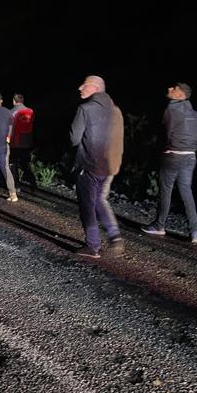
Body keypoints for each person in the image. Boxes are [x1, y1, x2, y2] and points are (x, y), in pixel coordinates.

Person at [70, 75, 125, 258]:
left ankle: (93, 246)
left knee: (87, 204)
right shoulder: (116, 110)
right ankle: (114, 236)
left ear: (94, 88)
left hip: (89, 165)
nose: (80, 88)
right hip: (109, 166)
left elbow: (74, 139)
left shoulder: (85, 108)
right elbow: (118, 139)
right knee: (100, 200)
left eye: (83, 85)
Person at [142, 82, 197, 243]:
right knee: (186, 192)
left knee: (166, 190)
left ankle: (159, 226)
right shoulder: (195, 114)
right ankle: (195, 232)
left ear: (180, 95)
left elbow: (166, 132)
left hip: (173, 155)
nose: (169, 89)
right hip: (190, 156)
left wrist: (166, 148)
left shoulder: (171, 109)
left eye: (173, 88)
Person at [9, 93, 38, 191]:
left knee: (13, 163)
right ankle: (33, 183)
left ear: (14, 100)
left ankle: (16, 185)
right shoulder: (30, 111)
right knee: (25, 164)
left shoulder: (12, 112)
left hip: (15, 142)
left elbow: (10, 127)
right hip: (27, 142)